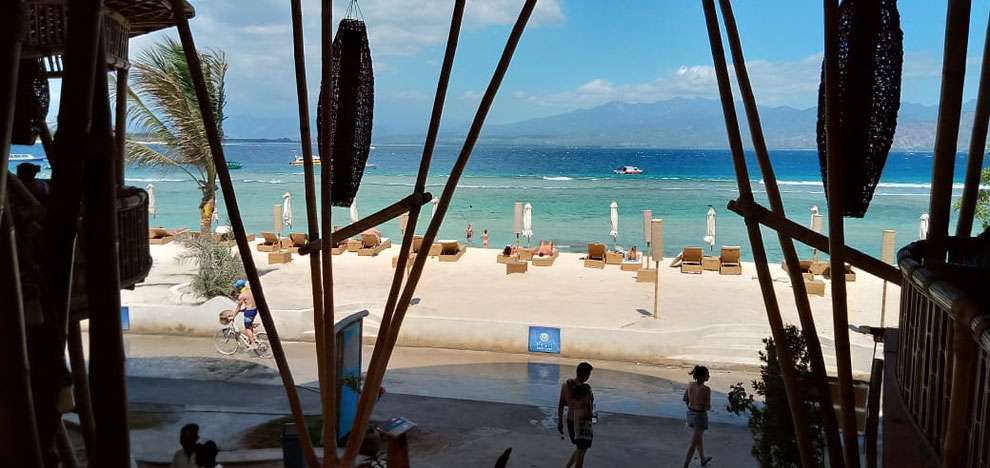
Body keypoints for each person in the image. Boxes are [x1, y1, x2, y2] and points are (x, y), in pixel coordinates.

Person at [557, 362, 595, 468]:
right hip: (582, 424)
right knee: (580, 459)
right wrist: (594, 416)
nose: (589, 377)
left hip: (570, 421)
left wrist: (560, 421)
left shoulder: (565, 385)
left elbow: (560, 405)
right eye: (589, 374)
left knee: (580, 449)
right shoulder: (587, 389)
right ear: (585, 374)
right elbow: (588, 410)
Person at [682, 365, 713, 467]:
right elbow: (707, 407)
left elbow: (685, 399)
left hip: (690, 414)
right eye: (707, 374)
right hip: (700, 417)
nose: (709, 376)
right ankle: (685, 465)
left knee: (698, 439)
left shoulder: (690, 384)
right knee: (693, 443)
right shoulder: (706, 389)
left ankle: (703, 459)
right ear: (703, 376)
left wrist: (692, 403)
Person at [231, 280, 259, 349]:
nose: (236, 288)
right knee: (249, 325)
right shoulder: (250, 290)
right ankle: (251, 339)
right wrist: (244, 309)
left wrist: (233, 316)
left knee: (247, 329)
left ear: (239, 287)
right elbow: (251, 301)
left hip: (249, 312)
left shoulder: (242, 295)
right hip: (255, 310)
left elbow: (238, 308)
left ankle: (253, 344)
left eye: (237, 287)